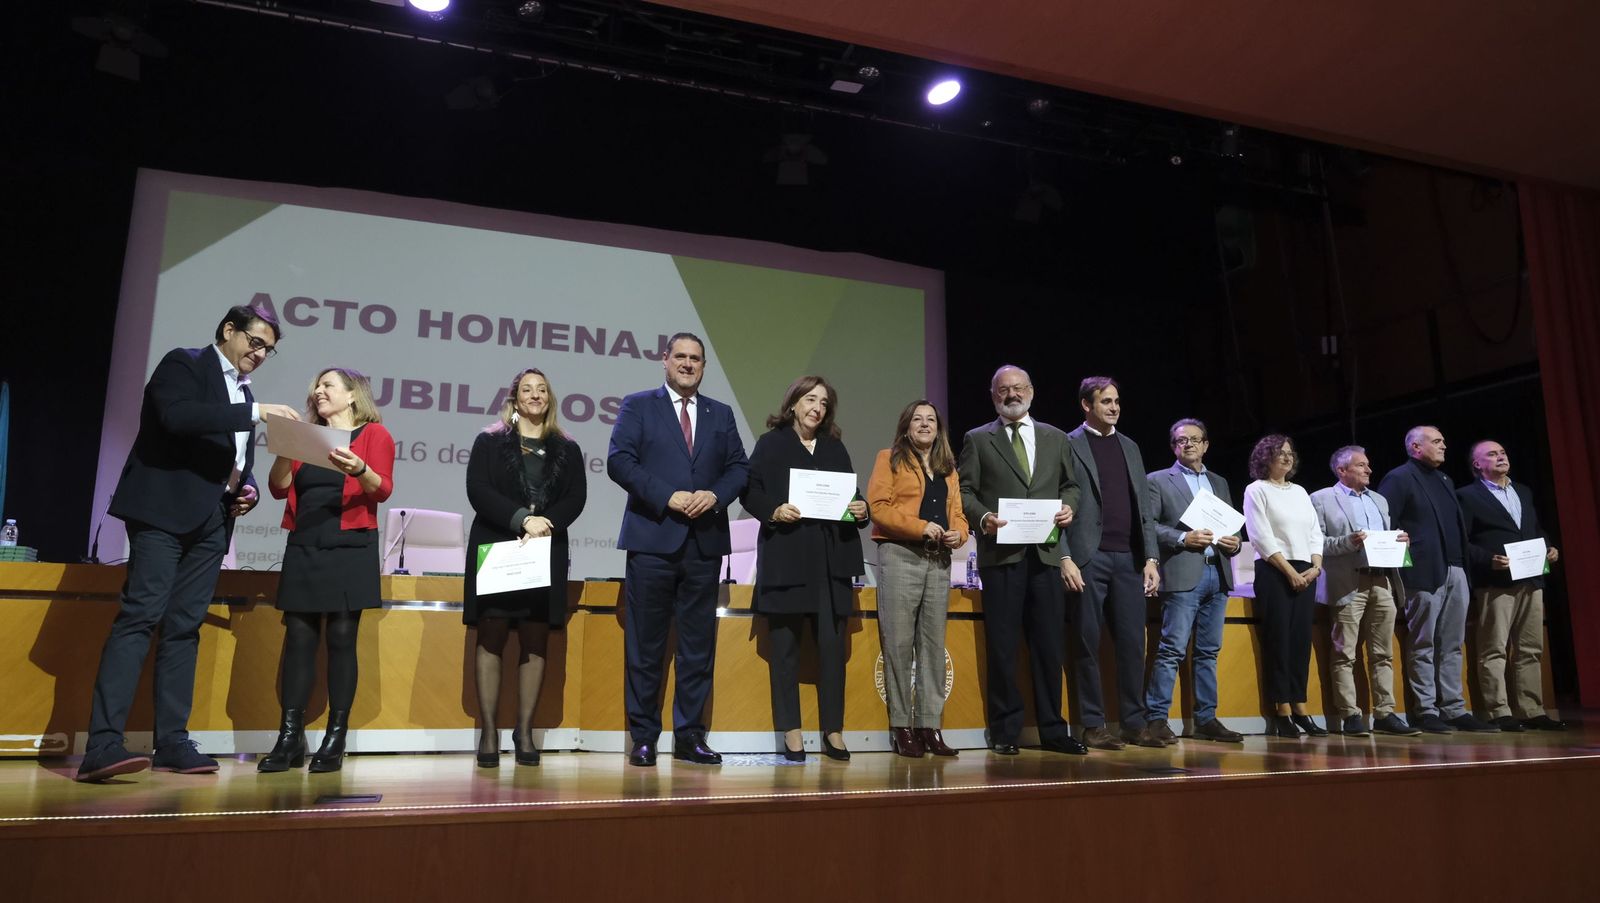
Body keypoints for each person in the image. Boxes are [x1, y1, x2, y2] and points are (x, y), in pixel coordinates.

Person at [77, 305, 302, 782]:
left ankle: (173, 742)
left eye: (268, 349)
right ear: (228, 331)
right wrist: (255, 412)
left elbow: (234, 458)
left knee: (185, 627)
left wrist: (249, 489)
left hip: (212, 521)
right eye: (255, 343)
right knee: (140, 616)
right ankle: (102, 745)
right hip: (162, 512)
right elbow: (177, 417)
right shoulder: (185, 364)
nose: (260, 355)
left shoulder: (244, 392)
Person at [606, 332, 749, 767]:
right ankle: (644, 738)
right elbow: (619, 461)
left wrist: (715, 496)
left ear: (703, 366)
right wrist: (666, 496)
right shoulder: (638, 405)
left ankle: (689, 737)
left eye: (696, 359)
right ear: (664, 360)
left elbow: (739, 469)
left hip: (703, 544)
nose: (688, 364)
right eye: (681, 357)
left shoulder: (720, 414)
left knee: (697, 648)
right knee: (646, 647)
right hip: (652, 539)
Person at [259, 367, 395, 773]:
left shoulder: (374, 435)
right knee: (299, 638)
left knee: (340, 638)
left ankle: (336, 735)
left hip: (350, 547)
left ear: (353, 395)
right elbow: (278, 487)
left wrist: (359, 470)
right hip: (305, 543)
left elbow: (383, 489)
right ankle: (290, 736)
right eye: (316, 386)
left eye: (328, 385)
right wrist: (288, 447)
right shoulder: (308, 437)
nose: (318, 391)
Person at [463, 368, 588, 767]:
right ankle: (488, 731)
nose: (535, 395)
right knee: (492, 633)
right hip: (499, 546)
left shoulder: (567, 447)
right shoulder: (490, 440)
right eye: (527, 390)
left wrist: (545, 523)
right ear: (515, 399)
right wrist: (521, 519)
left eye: (542, 390)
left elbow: (576, 497)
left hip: (545, 551)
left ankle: (525, 731)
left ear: (549, 399)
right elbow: (478, 491)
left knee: (536, 638)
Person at [957, 365, 1084, 756]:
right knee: (1004, 646)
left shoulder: (1056, 437)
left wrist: (1069, 508)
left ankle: (1053, 730)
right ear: (993, 396)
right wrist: (983, 518)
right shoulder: (978, 439)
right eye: (1003, 390)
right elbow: (965, 491)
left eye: (1017, 388)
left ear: (1031, 390)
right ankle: (1006, 730)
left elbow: (1072, 485)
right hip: (1002, 555)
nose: (1011, 394)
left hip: (1045, 555)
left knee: (1048, 646)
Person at [741, 376, 869, 761]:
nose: (817, 407)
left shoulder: (834, 446)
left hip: (831, 564)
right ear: (793, 403)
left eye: (824, 403)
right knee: (785, 652)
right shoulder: (771, 444)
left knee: (832, 652)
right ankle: (792, 733)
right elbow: (750, 492)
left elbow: (852, 496)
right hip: (787, 559)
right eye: (810, 399)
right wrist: (774, 510)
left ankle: (834, 731)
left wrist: (862, 509)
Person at [1376, 426, 1499, 734]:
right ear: (1416, 448)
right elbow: (1385, 524)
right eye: (1436, 441)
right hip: (1423, 572)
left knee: (1453, 644)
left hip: (1456, 570)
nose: (1444, 445)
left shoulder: (1445, 480)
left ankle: (1454, 708)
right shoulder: (1399, 478)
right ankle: (1425, 710)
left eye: (1444, 440)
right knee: (1424, 643)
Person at [1063, 377, 1163, 750]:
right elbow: (1060, 498)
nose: (1114, 407)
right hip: (1089, 556)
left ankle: (1133, 723)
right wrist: (1066, 556)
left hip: (1130, 558)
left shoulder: (1130, 446)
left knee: (1133, 644)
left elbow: (1145, 510)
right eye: (1106, 401)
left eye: (1117, 401)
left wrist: (1151, 558)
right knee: (1087, 642)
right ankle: (1092, 724)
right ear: (1086, 405)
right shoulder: (1069, 443)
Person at [866, 400, 969, 758]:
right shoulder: (889, 458)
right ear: (906, 426)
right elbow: (878, 507)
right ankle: (902, 727)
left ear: (938, 428)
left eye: (930, 420)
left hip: (938, 560)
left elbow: (958, 514)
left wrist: (960, 533)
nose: (924, 425)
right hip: (900, 554)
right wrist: (921, 526)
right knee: (898, 644)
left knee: (932, 646)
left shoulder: (947, 467)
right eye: (917, 419)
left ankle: (930, 727)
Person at [1141, 418, 1245, 745]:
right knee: (1171, 648)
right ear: (1174, 446)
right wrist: (1184, 537)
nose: (1189, 444)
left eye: (1195, 440)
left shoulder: (1219, 481)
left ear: (1206, 445)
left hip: (1219, 573)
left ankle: (1206, 719)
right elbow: (1150, 526)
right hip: (1183, 573)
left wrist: (1236, 542)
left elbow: (1233, 528)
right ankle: (1157, 718)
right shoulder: (1157, 480)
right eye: (1181, 440)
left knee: (1208, 652)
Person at [1309, 446, 1420, 737]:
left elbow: (1386, 538)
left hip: (1383, 580)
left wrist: (1400, 542)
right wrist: (1348, 542)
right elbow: (1315, 542)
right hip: (1348, 583)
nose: (1369, 470)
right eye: (1360, 465)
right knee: (1345, 653)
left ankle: (1385, 713)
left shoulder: (1379, 500)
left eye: (1368, 465)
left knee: (1383, 653)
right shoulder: (1321, 499)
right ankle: (1350, 715)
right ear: (1341, 470)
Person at [1457, 440, 1565, 731]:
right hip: (1496, 582)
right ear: (1477, 464)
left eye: (1503, 452)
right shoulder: (1467, 496)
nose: (1501, 456)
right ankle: (1498, 711)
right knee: (1494, 648)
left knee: (1531, 648)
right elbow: (1462, 542)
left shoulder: (1523, 490)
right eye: (1492, 454)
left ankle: (1531, 709)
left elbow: (1532, 529)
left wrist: (1549, 546)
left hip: (1531, 578)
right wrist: (1487, 560)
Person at [1242, 434, 1326, 739]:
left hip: (1306, 570)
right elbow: (1261, 535)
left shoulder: (1301, 491)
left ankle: (1300, 705)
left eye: (1290, 453)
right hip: (1276, 570)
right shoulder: (1257, 490)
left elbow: (1315, 532)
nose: (1287, 458)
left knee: (1300, 641)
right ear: (1265, 458)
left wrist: (1316, 567)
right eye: (1280, 453)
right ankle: (1282, 710)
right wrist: (1290, 572)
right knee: (1279, 640)